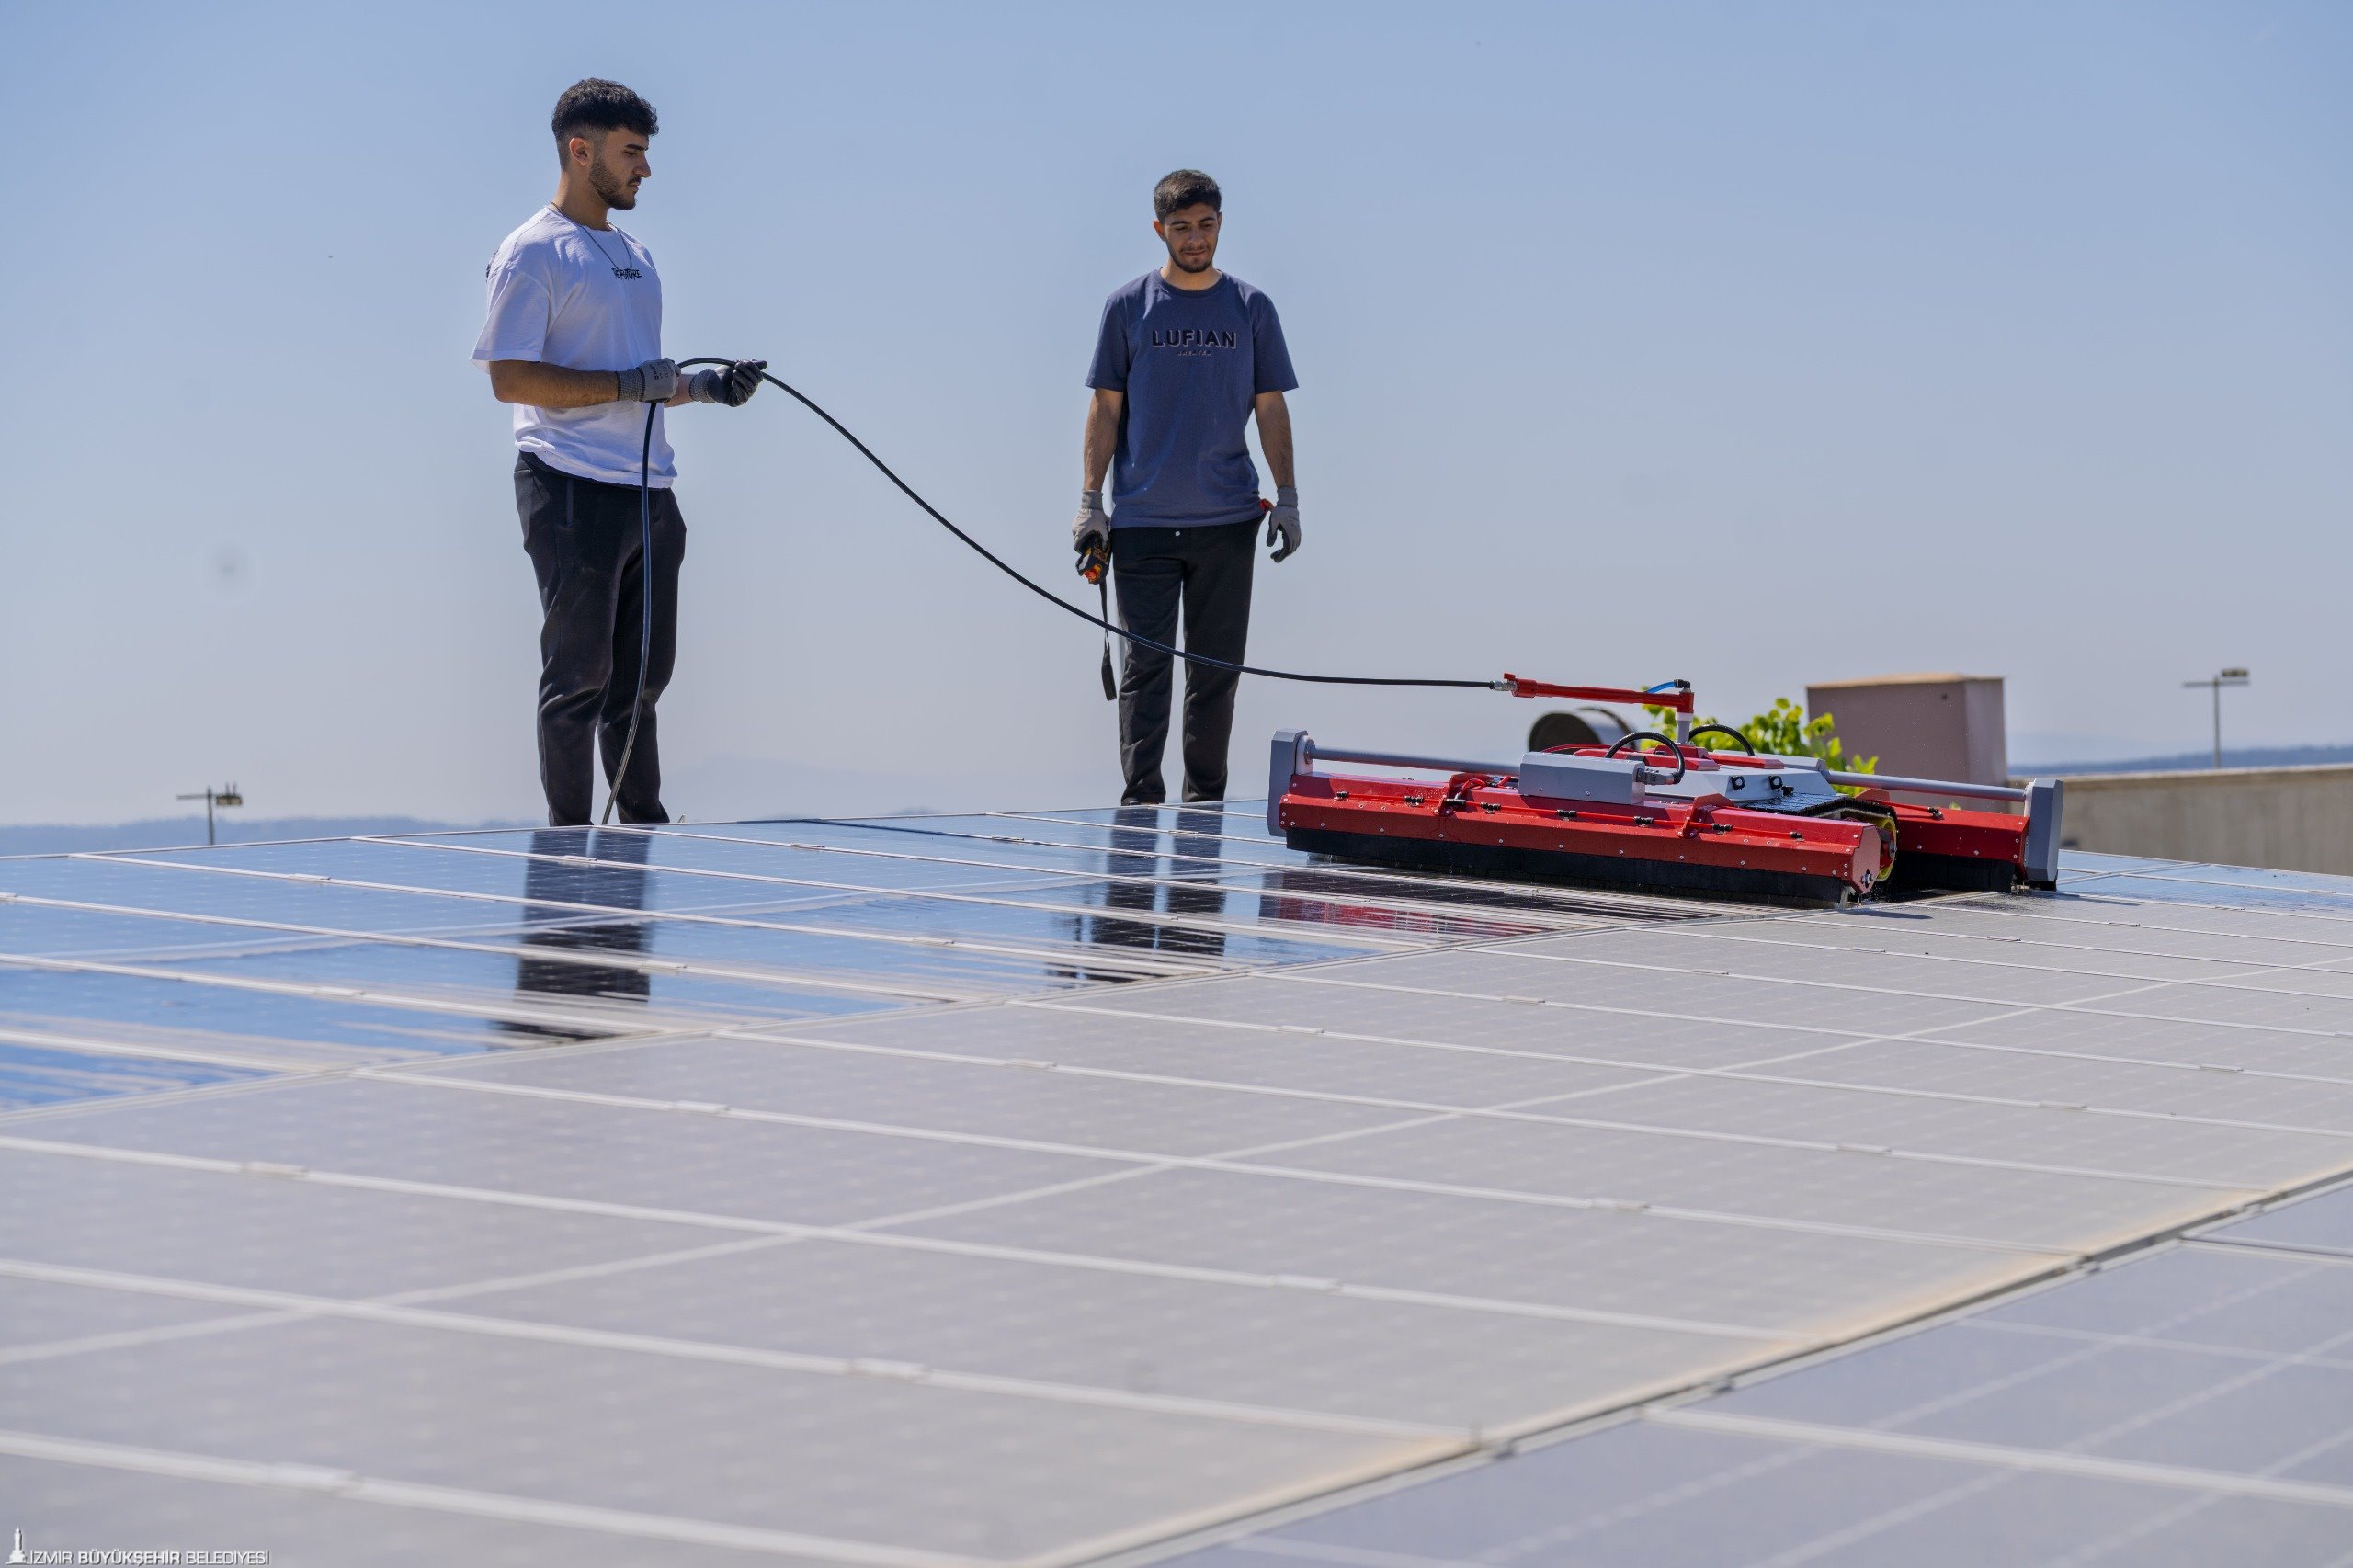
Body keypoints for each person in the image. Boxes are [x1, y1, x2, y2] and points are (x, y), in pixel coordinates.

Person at [472, 78, 766, 826]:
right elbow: (510, 378)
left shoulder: (636, 253)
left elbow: (641, 381)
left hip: (649, 492)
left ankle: (643, 835)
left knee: (641, 684)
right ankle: (569, 849)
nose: (645, 169)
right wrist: (629, 384)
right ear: (581, 150)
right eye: (631, 152)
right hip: (569, 488)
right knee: (580, 681)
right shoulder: (532, 251)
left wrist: (705, 389)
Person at [1077, 169, 1300, 806]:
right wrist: (1090, 503)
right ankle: (1141, 804)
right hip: (1141, 522)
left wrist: (1287, 498)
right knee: (1145, 670)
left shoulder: (1252, 308)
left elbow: (1271, 407)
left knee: (1215, 676)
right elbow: (1106, 407)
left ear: (1220, 224)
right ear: (1160, 230)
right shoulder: (1127, 307)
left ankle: (1205, 810)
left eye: (1205, 225)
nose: (1195, 238)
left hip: (1227, 522)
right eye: (1181, 227)